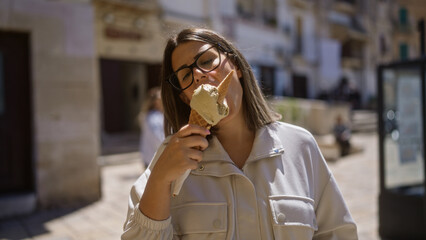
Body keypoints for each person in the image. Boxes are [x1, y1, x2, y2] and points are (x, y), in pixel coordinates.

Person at [122, 28, 358, 240]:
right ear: (185, 97)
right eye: (185, 75)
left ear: (235, 65)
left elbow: (337, 233)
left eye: (206, 60)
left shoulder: (300, 145)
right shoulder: (169, 159)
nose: (198, 74)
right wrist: (160, 179)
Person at [139, 87, 165, 167]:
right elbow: (158, 140)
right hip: (154, 162)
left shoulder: (155, 116)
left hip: (152, 159)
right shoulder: (153, 118)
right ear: (156, 102)